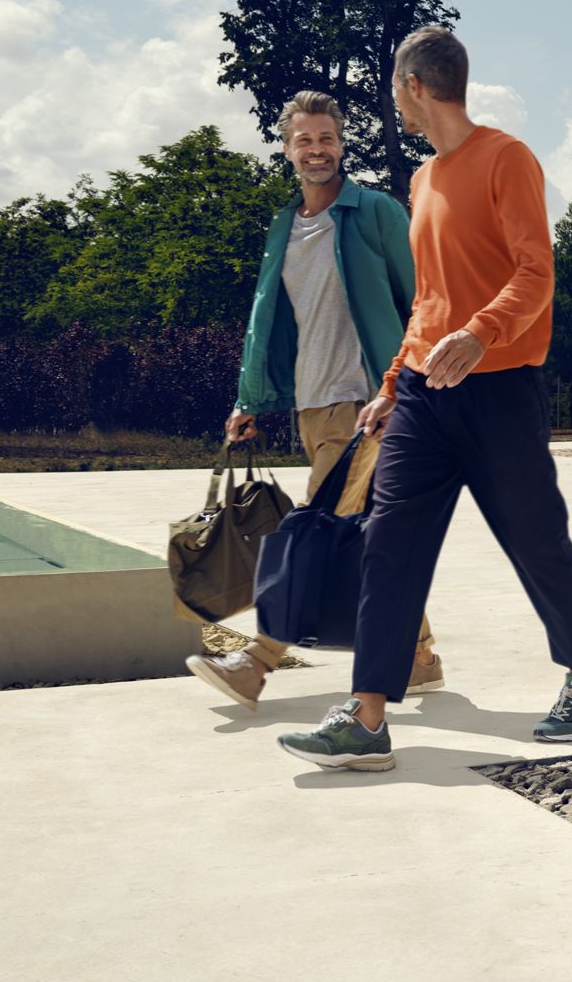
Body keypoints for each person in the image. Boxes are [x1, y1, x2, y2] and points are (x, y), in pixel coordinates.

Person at [277, 28, 572, 773]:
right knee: (388, 539)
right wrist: (396, 382)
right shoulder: (423, 181)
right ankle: (366, 716)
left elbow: (535, 273)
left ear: (412, 86)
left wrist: (480, 333)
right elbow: (428, 300)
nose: (394, 99)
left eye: (395, 87)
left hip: (498, 392)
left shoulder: (506, 158)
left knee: (534, 537)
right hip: (427, 395)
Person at [188, 91, 444, 709]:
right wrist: (250, 397)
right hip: (312, 402)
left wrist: (405, 384)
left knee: (316, 531)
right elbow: (265, 317)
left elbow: (424, 296)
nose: (317, 150)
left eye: (327, 138)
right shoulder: (284, 226)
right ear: (287, 149)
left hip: (367, 403)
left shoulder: (375, 212)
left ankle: (257, 660)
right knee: (369, 535)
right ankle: (418, 656)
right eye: (304, 140)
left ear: (342, 144)